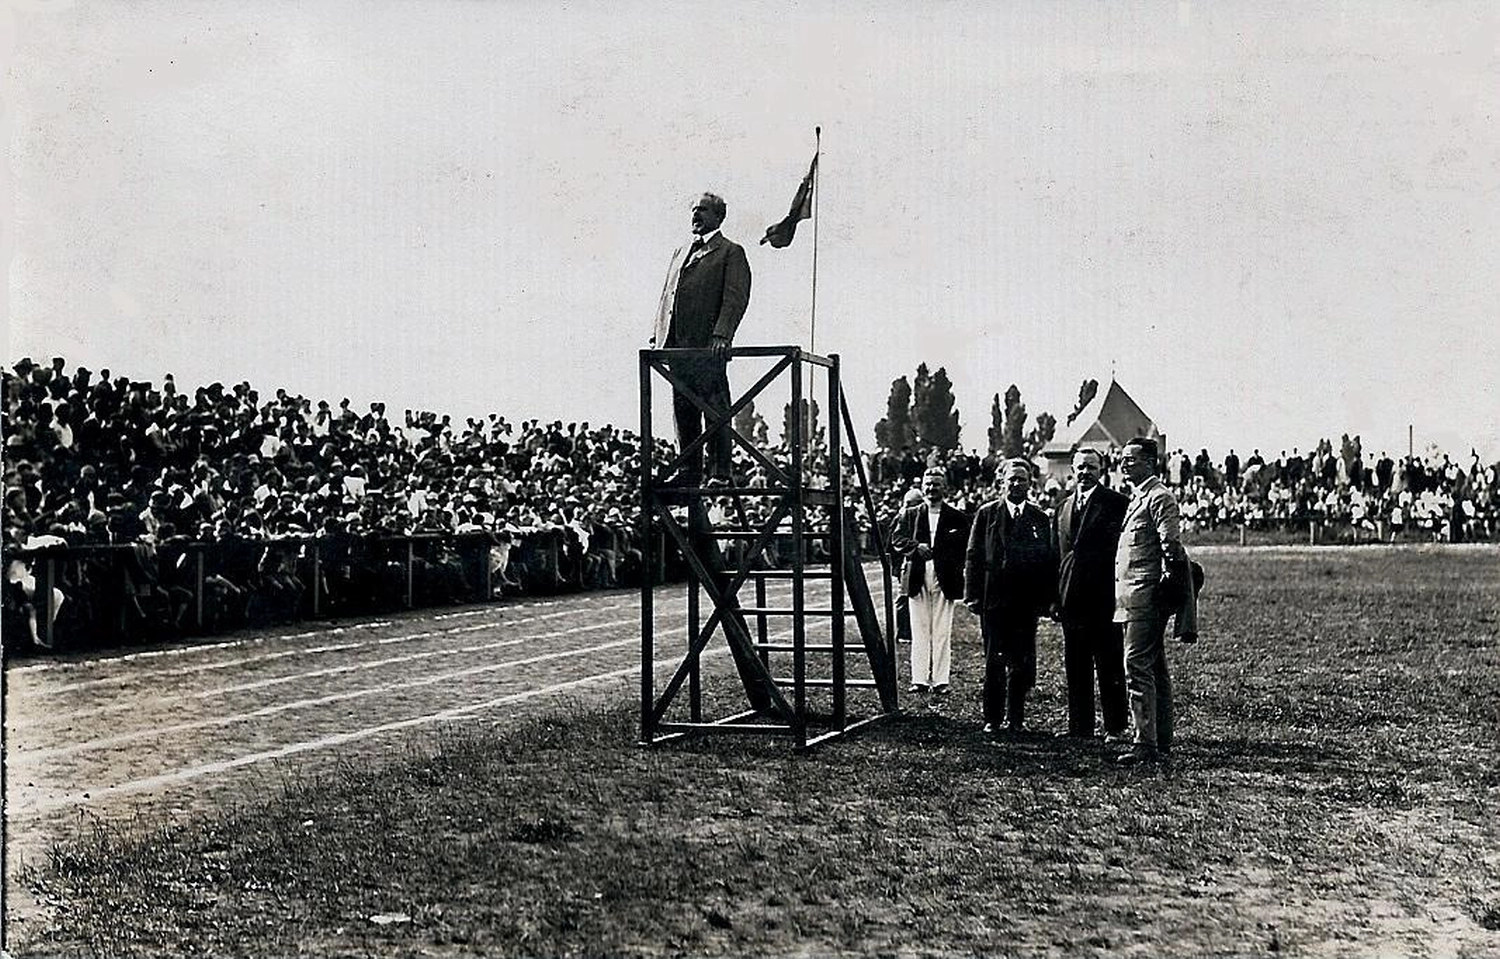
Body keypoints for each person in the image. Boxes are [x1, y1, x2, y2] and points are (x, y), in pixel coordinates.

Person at [651, 192, 751, 487]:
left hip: (708, 347)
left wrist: (722, 334)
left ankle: (720, 472)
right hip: (678, 347)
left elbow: (735, 297)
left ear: (719, 217)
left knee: (715, 407)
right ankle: (688, 471)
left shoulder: (730, 252)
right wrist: (659, 335)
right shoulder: (681, 252)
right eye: (694, 210)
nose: (697, 215)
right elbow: (667, 295)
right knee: (683, 410)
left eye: (704, 210)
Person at [964, 459, 1057, 736]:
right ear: (1001, 482)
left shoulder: (1039, 518)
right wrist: (972, 594)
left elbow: (1047, 561)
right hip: (994, 598)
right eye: (1012, 479)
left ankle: (1016, 719)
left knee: (1021, 660)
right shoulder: (987, 514)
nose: (1017, 484)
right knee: (994, 659)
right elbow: (973, 555)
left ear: (1031, 484)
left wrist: (1047, 599)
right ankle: (992, 717)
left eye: (1022, 480)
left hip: (1025, 601)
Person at [1113, 436, 1185, 765]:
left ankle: (1146, 743)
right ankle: (1160, 738)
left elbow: (1170, 543)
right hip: (1134, 594)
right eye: (1123, 459)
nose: (1124, 464)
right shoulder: (1140, 496)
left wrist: (1168, 581)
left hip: (1146, 594)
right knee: (1154, 665)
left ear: (1150, 463)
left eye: (1132, 459)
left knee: (1136, 665)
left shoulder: (1159, 497)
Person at [1053, 449, 1129, 741]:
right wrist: (1055, 597)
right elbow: (1055, 554)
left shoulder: (1115, 503)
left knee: (1109, 662)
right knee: (1076, 663)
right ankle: (1080, 727)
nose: (1085, 472)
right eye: (1080, 467)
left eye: (1091, 467)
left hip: (1103, 596)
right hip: (1071, 598)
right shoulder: (1062, 508)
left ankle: (1116, 726)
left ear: (1101, 469)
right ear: (1072, 470)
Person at [890, 469, 969, 700]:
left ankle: (941, 680)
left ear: (945, 488)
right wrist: (916, 548)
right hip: (917, 574)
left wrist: (945, 553)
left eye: (936, 484)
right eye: (928, 484)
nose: (931, 488)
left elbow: (966, 544)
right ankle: (920, 679)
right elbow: (897, 539)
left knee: (942, 629)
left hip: (945, 576)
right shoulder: (910, 513)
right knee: (919, 628)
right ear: (922, 486)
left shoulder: (956, 516)